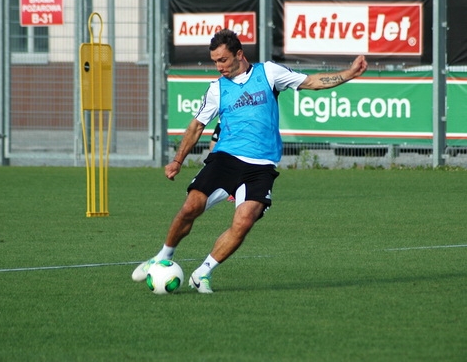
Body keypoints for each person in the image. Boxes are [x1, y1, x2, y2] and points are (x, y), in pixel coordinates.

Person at [132, 29, 368, 293]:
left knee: (244, 222)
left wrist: (348, 73)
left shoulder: (268, 73)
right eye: (214, 61)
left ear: (239, 54)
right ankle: (163, 256)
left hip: (261, 166)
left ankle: (203, 273)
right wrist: (177, 160)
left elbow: (311, 81)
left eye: (222, 60)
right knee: (191, 206)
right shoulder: (216, 89)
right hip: (226, 158)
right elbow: (197, 126)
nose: (218, 66)